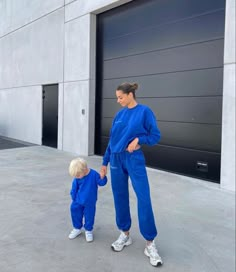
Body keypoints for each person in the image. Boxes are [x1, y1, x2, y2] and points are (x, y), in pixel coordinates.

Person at [100, 82, 163, 266]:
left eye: (120, 97)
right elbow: (112, 141)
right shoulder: (119, 115)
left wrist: (139, 140)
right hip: (116, 159)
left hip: (134, 158)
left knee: (144, 197)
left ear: (130, 95)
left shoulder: (144, 112)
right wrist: (105, 162)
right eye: (117, 97)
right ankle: (125, 234)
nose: (118, 101)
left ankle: (150, 242)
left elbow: (155, 135)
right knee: (119, 196)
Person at [68, 157, 107, 242]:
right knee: (75, 212)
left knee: (89, 215)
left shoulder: (94, 174)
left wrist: (103, 177)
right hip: (78, 201)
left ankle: (88, 230)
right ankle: (77, 228)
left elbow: (101, 183)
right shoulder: (77, 178)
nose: (77, 177)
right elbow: (74, 188)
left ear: (84, 170)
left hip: (90, 201)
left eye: (78, 175)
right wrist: (73, 197)